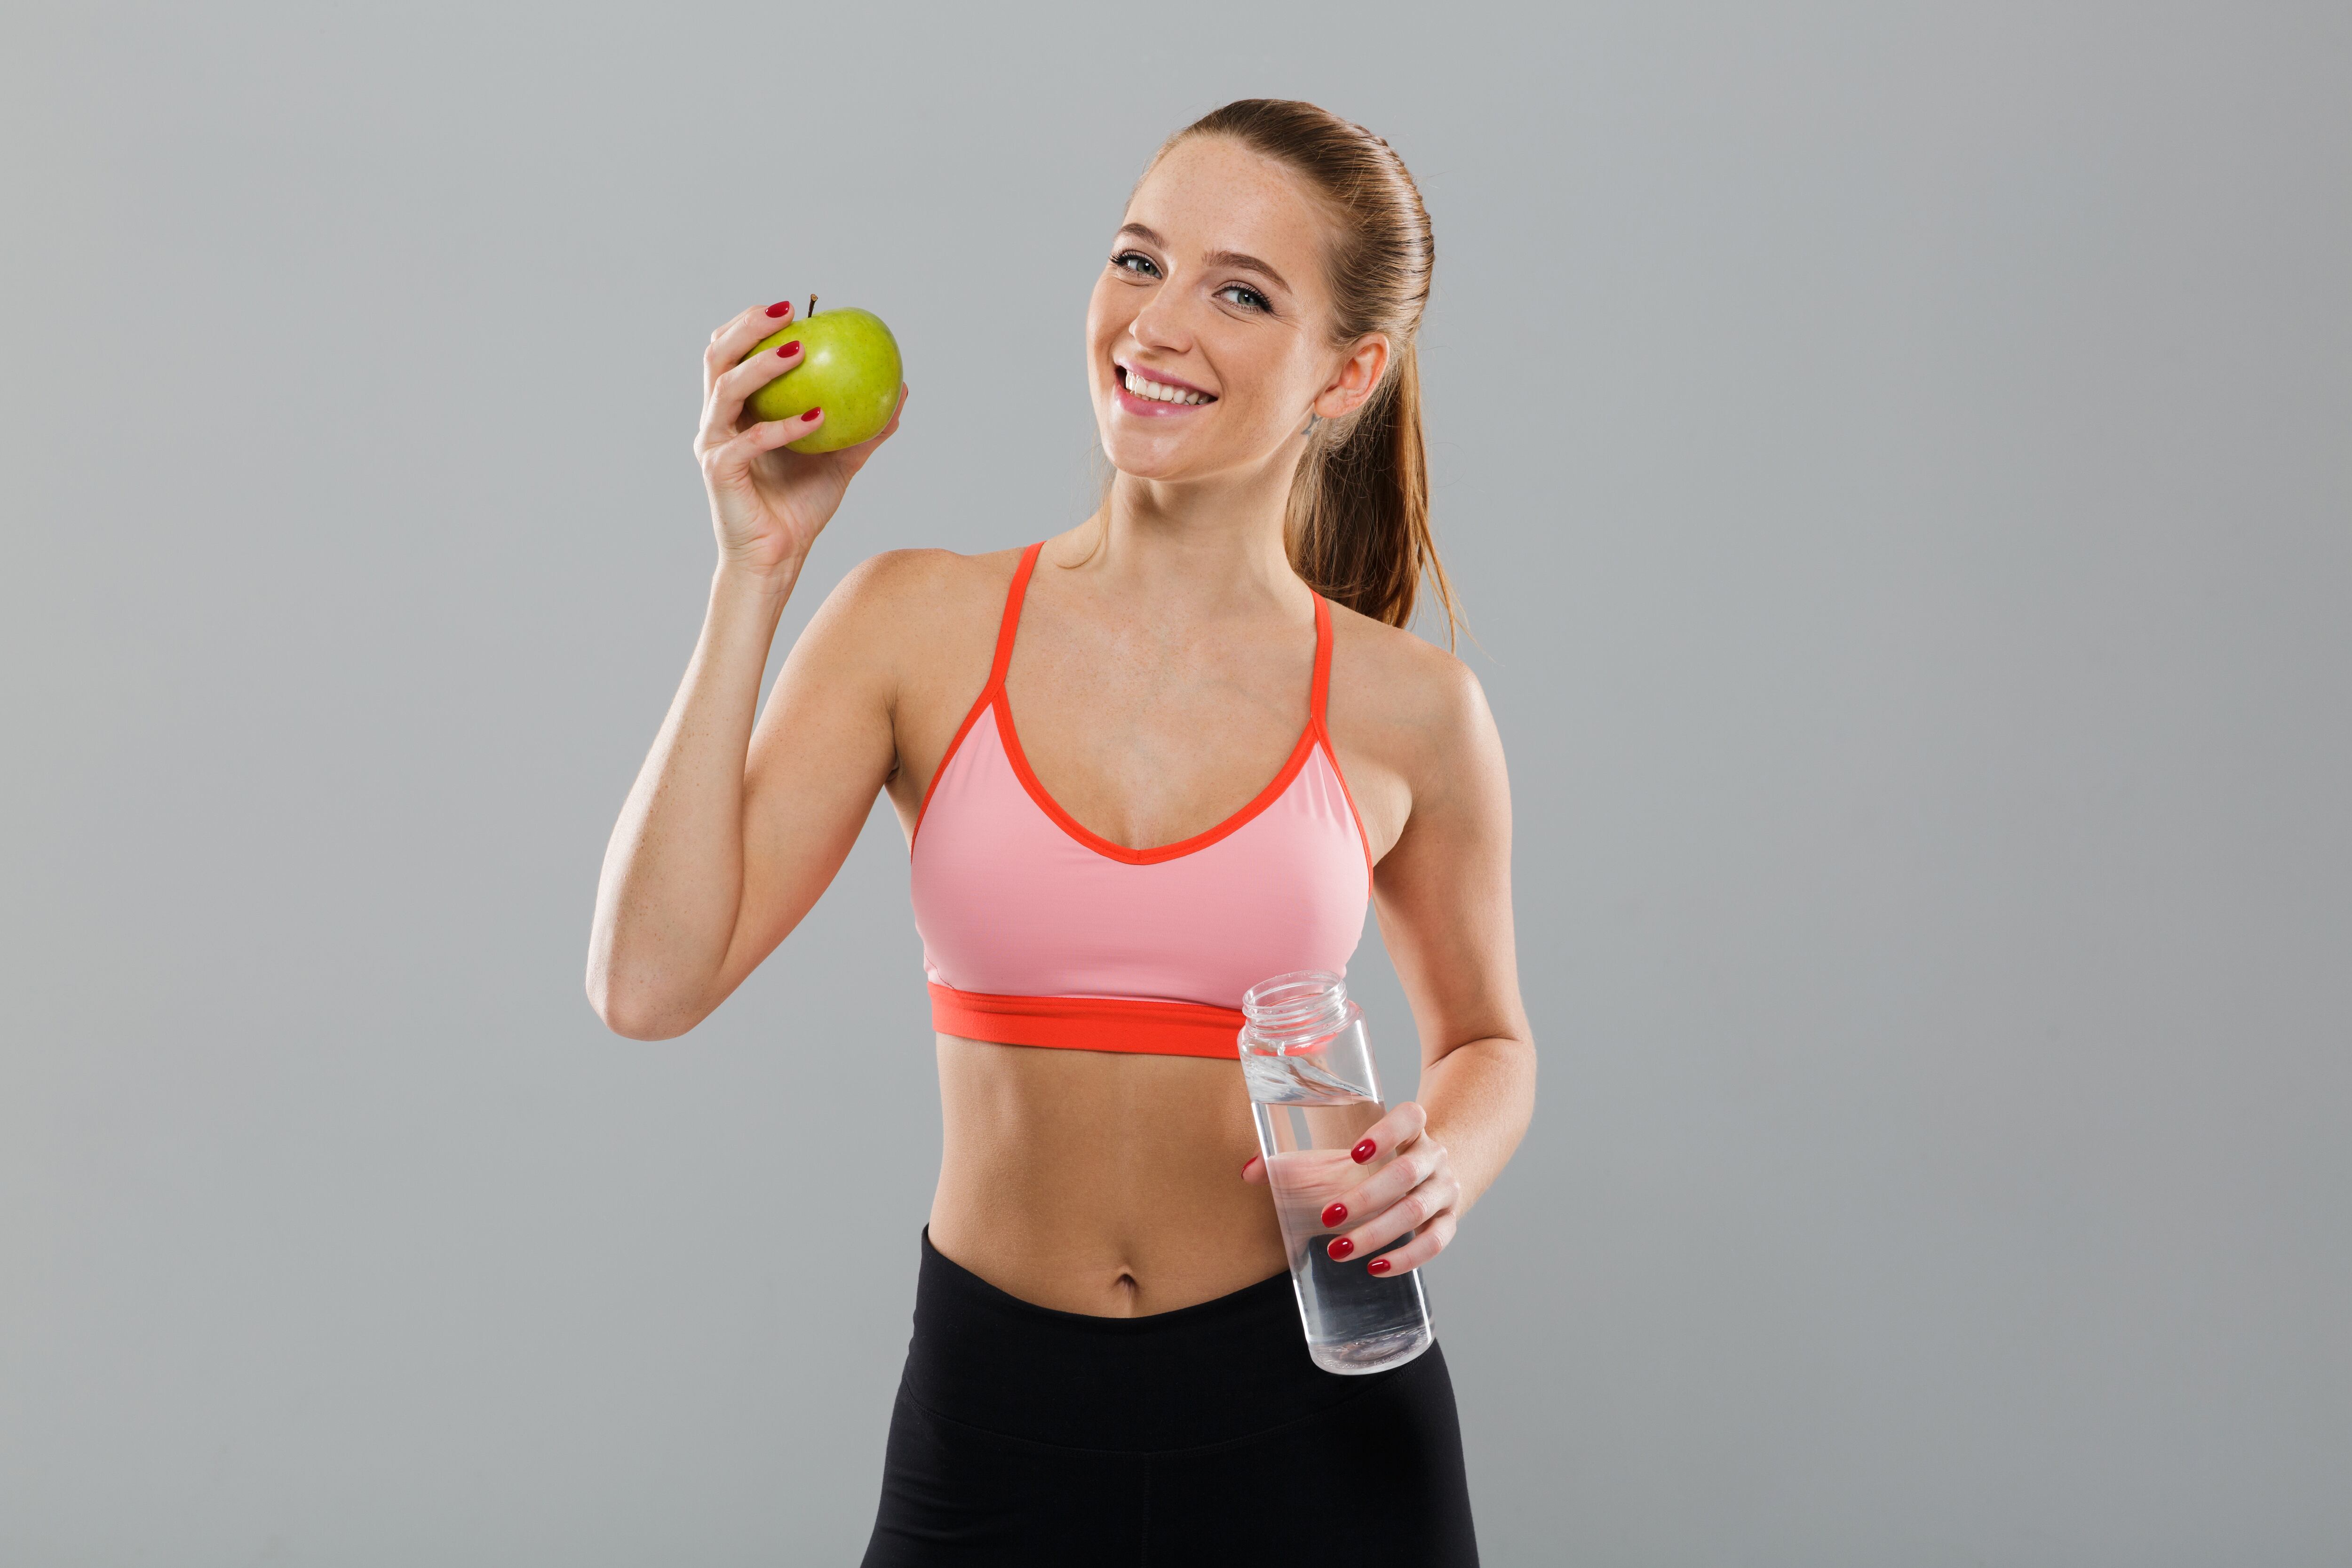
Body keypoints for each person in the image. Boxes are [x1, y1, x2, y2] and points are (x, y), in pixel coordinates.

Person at [588, 98, 1534, 1566]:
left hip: (1320, 1413)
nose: (1157, 324)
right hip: (998, 1417)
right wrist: (753, 577)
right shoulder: (917, 623)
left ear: (1350, 373)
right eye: (1138, 260)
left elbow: (1489, 1040)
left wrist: (1448, 1162)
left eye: (1240, 292)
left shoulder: (1414, 710)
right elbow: (649, 985)